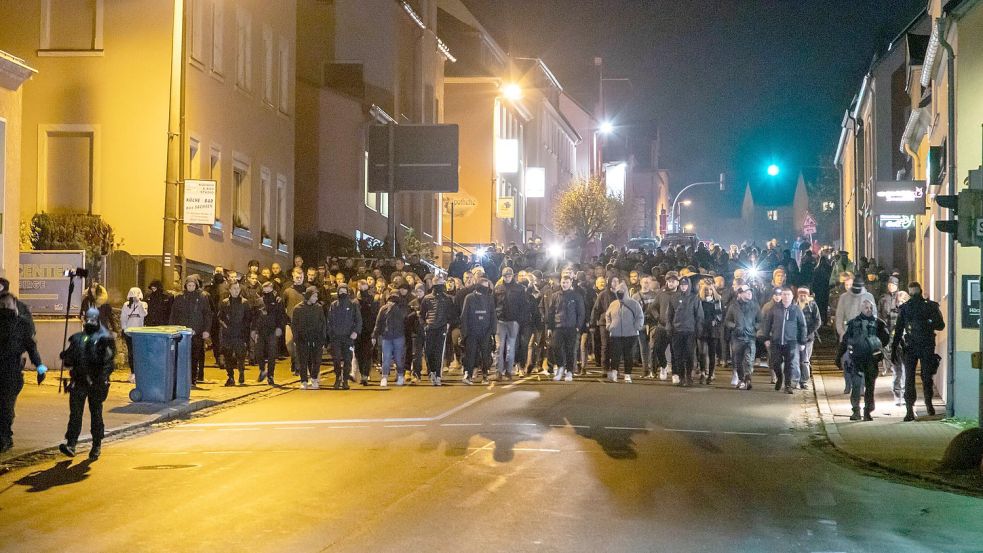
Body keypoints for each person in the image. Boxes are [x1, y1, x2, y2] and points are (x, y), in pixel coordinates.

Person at [58, 307, 116, 460]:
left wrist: (102, 378)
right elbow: (70, 359)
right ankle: (71, 443)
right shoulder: (78, 338)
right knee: (75, 414)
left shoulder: (104, 338)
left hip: (96, 383)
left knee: (96, 413)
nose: (89, 323)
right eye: (87, 320)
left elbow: (109, 363)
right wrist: (67, 357)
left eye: (92, 320)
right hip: (79, 381)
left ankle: (96, 444)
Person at [891, 282, 945, 421]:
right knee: (920, 377)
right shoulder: (923, 307)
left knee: (917, 377)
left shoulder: (917, 307)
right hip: (918, 346)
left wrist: (894, 348)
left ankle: (918, 407)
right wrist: (894, 348)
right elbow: (940, 325)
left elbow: (940, 325)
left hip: (917, 345)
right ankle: (921, 406)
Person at [0, 293, 46, 454]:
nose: (5, 308)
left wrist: (40, 366)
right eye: (2, 305)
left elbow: (31, 347)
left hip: (11, 371)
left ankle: (5, 437)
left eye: (8, 305)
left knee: (6, 407)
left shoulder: (22, 324)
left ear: (14, 305)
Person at [837, 299, 889, 421]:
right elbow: (845, 341)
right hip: (856, 359)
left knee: (870, 387)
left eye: (870, 308)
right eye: (866, 308)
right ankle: (856, 411)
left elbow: (885, 339)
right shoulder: (853, 323)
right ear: (861, 309)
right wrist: (838, 356)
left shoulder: (878, 324)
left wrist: (877, 347)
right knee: (856, 386)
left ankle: (867, 411)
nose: (869, 310)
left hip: (872, 359)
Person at [759, 287, 807, 394]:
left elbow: (802, 326)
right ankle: (779, 377)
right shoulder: (774, 309)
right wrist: (766, 338)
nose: (786, 297)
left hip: (791, 341)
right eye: (784, 294)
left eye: (788, 295)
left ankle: (788, 385)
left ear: (792, 296)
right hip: (776, 340)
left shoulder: (796, 309)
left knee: (789, 364)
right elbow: (767, 324)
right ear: (781, 296)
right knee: (775, 362)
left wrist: (802, 341)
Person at [169, 275, 212, 385]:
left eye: (193, 285)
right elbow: (174, 314)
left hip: (196, 332)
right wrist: (172, 329)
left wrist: (206, 330)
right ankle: (181, 378)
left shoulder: (202, 297)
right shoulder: (179, 297)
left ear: (196, 286)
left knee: (194, 357)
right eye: (189, 285)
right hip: (181, 332)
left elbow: (207, 314)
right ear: (186, 286)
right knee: (181, 356)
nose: (191, 287)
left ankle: (193, 378)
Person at [545, 274, 585, 382]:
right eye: (563, 282)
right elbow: (551, 312)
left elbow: (581, 312)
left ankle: (569, 371)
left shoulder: (576, 296)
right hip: (558, 326)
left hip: (571, 327)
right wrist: (549, 326)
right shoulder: (555, 296)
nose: (565, 284)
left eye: (567, 282)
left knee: (570, 350)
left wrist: (578, 326)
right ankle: (560, 367)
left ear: (571, 282)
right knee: (555, 347)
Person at [604, 281, 644, 383]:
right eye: (618, 292)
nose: (620, 294)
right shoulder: (613, 304)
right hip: (615, 334)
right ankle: (614, 372)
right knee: (615, 355)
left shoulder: (633, 303)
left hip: (631, 334)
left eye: (622, 292)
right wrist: (609, 326)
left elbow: (640, 316)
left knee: (628, 355)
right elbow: (607, 315)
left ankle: (627, 374)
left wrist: (637, 327)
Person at [666, 277, 703, 386]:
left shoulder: (694, 298)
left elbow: (699, 315)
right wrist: (669, 327)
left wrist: (698, 329)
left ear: (689, 285)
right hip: (677, 331)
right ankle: (681, 377)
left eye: (685, 285)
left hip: (690, 331)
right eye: (682, 285)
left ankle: (689, 377)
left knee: (689, 355)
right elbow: (669, 315)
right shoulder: (674, 297)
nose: (683, 286)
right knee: (678, 355)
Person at [460, 276, 496, 385]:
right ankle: (468, 374)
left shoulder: (489, 298)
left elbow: (493, 315)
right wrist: (464, 333)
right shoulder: (469, 298)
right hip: (472, 331)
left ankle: (485, 375)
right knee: (470, 354)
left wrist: (492, 331)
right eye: (484, 287)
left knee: (485, 355)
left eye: (487, 287)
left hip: (485, 332)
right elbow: (464, 315)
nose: (486, 289)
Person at [493, 267, 526, 381]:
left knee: (510, 348)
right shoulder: (497, 288)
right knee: (499, 347)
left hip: (513, 321)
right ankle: (499, 371)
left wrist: (518, 320)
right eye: (505, 276)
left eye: (509, 275)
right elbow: (494, 304)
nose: (507, 277)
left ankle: (508, 370)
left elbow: (523, 306)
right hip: (500, 320)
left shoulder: (519, 288)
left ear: (512, 276)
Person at [724, 284, 760, 390]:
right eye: (746, 292)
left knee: (749, 359)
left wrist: (754, 328)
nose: (750, 293)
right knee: (738, 360)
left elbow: (760, 320)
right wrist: (734, 326)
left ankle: (748, 378)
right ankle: (741, 379)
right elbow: (727, 320)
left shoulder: (755, 306)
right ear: (740, 294)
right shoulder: (733, 306)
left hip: (750, 337)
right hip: (737, 337)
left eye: (750, 292)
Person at [327, 283, 362, 390]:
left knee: (348, 359)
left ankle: (345, 379)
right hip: (336, 338)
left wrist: (355, 332)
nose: (342, 293)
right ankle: (338, 377)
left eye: (344, 291)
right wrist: (330, 334)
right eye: (340, 291)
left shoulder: (353, 305)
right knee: (336, 359)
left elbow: (358, 320)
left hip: (348, 338)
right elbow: (329, 321)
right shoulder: (334, 305)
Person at [420, 275, 453, 386]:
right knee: (429, 352)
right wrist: (424, 325)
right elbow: (422, 314)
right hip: (429, 328)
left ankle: (438, 375)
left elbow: (451, 313)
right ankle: (432, 371)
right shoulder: (427, 298)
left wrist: (448, 323)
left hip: (441, 328)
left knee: (439, 352)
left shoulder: (447, 298)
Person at [218, 281, 252, 386]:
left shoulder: (244, 302)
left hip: (240, 333)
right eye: (234, 289)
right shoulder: (224, 302)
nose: (236, 291)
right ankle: (230, 376)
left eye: (238, 289)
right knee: (228, 355)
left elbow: (248, 317)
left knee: (240, 355)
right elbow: (220, 317)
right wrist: (224, 325)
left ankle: (241, 372)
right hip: (228, 333)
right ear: (230, 290)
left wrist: (245, 329)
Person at [252, 280, 286, 385]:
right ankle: (262, 369)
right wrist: (253, 329)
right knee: (258, 352)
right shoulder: (259, 301)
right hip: (260, 330)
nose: (266, 291)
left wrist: (280, 327)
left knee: (272, 354)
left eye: (268, 289)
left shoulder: (277, 301)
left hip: (272, 330)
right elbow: (254, 316)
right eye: (265, 289)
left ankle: (270, 375)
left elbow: (281, 316)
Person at [291, 287, 326, 390]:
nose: (316, 298)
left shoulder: (318, 308)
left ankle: (314, 378)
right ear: (308, 296)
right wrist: (296, 338)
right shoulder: (298, 308)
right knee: (303, 361)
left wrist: (322, 338)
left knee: (316, 360)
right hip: (303, 339)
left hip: (316, 339)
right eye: (314, 296)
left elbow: (323, 323)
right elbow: (294, 325)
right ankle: (304, 380)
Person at [649, 271, 680, 381]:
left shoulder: (680, 294)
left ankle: (675, 373)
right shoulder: (661, 294)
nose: (670, 283)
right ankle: (663, 366)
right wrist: (658, 317)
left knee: (675, 351)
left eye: (673, 281)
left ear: (677, 282)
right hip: (662, 326)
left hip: (676, 327)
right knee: (658, 349)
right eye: (669, 281)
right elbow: (652, 307)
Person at [374, 292, 408, 386]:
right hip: (387, 337)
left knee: (398, 358)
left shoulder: (401, 309)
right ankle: (384, 377)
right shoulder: (384, 309)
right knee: (386, 358)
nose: (391, 303)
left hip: (398, 336)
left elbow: (405, 319)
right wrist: (374, 335)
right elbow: (378, 323)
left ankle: (400, 376)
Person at [696, 279, 723, 385]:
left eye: (710, 290)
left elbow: (720, 314)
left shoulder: (717, 301)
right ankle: (703, 372)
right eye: (706, 290)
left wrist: (715, 320)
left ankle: (711, 374)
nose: (708, 292)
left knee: (712, 353)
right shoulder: (699, 301)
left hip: (713, 330)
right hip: (702, 329)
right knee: (702, 352)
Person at [633, 276, 659, 379]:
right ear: (641, 283)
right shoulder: (635, 297)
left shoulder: (655, 295)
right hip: (641, 325)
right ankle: (645, 370)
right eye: (644, 282)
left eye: (648, 282)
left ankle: (653, 370)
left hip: (653, 324)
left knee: (652, 347)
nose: (646, 284)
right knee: (643, 349)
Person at [796, 285, 822, 390]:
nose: (802, 297)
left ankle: (804, 380)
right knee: (795, 359)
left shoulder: (813, 305)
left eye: (804, 294)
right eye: (800, 294)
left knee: (805, 360)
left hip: (808, 338)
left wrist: (807, 332)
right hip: (796, 338)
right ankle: (796, 379)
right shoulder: (794, 305)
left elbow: (818, 321)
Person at [120, 287, 148, 383]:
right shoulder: (126, 305)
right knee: (131, 352)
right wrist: (124, 329)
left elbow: (144, 314)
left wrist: (139, 303)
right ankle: (133, 372)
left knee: (139, 352)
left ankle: (140, 373)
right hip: (129, 331)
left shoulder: (143, 304)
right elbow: (123, 317)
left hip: (139, 332)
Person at [354, 280, 379, 385]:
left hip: (369, 331)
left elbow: (375, 316)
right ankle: (363, 373)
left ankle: (365, 375)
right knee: (359, 354)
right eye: (361, 287)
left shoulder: (372, 299)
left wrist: (375, 332)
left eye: (364, 287)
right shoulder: (355, 302)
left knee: (367, 353)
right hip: (358, 331)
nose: (363, 289)